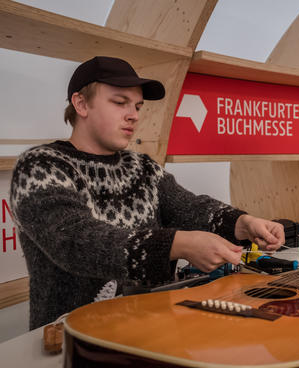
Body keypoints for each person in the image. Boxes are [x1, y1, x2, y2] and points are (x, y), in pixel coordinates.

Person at [9, 56, 284, 330]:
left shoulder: (141, 166)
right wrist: (177, 244)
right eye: (119, 102)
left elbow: (189, 207)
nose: (134, 115)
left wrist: (242, 223)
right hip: (73, 339)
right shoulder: (41, 165)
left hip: (153, 329)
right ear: (81, 104)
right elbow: (75, 241)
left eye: (138, 106)